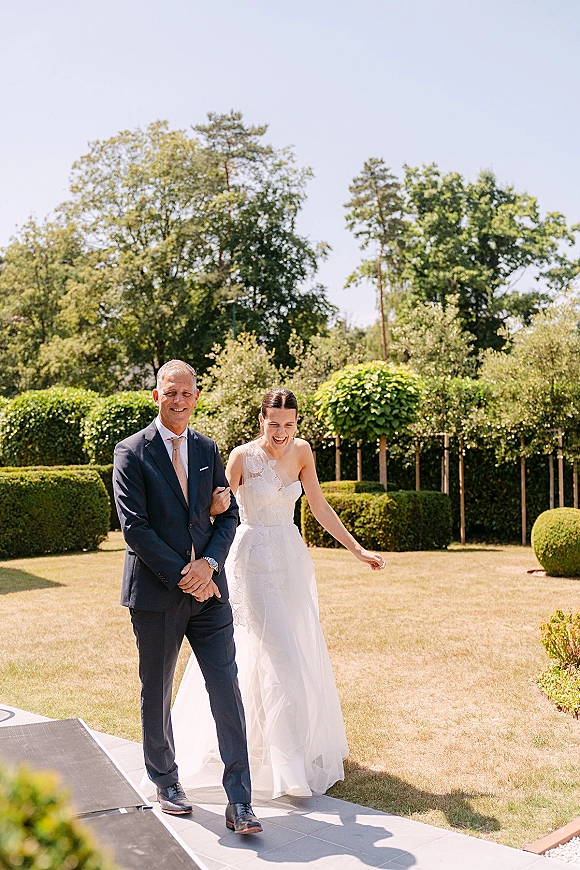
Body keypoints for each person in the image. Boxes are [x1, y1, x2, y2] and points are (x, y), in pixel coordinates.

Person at [171, 388, 385, 799]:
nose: (282, 432)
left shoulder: (303, 451)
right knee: (280, 656)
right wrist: (214, 512)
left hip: (290, 559)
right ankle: (287, 770)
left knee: (281, 650)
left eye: (289, 424)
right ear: (261, 420)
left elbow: (319, 506)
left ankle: (264, 749)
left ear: (297, 423)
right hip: (251, 560)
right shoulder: (240, 456)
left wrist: (357, 550)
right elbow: (217, 510)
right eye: (274, 424)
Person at [112, 359, 262, 834]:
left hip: (210, 592)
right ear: (156, 396)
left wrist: (209, 565)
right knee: (155, 689)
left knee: (226, 689)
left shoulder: (207, 448)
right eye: (169, 392)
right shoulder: (130, 452)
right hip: (157, 594)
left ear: (197, 396)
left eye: (186, 393)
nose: (178, 400)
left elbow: (228, 515)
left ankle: (240, 800)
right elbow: (135, 528)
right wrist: (185, 573)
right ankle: (165, 779)